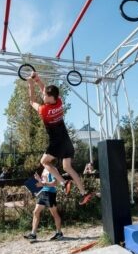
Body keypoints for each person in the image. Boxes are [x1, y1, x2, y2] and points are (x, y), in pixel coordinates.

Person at [27, 71, 93, 205]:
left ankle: (64, 182)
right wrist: (38, 80)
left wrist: (30, 84)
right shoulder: (58, 102)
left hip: (57, 142)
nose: (43, 95)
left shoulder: (44, 110)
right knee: (67, 167)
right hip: (67, 141)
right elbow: (46, 90)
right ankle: (83, 193)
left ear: (50, 97)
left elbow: (31, 101)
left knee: (44, 162)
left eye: (45, 95)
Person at [23, 165, 63, 241]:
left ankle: (59, 233)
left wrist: (43, 184)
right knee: (35, 212)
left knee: (54, 213)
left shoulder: (53, 168)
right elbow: (43, 182)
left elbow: (54, 183)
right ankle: (33, 234)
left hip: (50, 193)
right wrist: (38, 179)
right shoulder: (45, 169)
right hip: (42, 192)